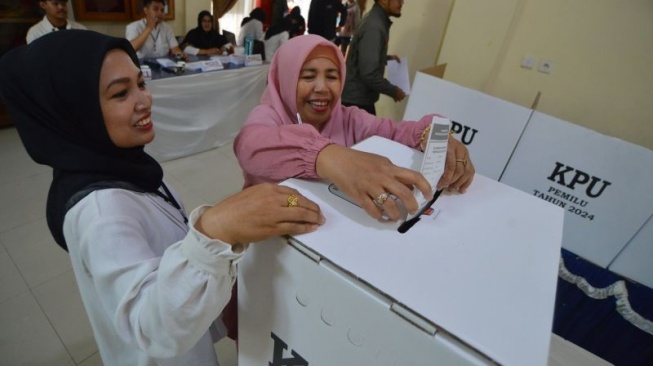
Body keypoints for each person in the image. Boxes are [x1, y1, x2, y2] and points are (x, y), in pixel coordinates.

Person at [0, 30, 324, 365]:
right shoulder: (100, 213)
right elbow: (153, 327)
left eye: (140, 83)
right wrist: (216, 229)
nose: (144, 100)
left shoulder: (129, 166)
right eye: (121, 93)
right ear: (74, 112)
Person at [234, 35, 475, 223]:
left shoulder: (349, 118)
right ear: (284, 79)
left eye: (332, 76)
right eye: (307, 76)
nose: (322, 88)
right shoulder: (269, 115)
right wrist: (327, 156)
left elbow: (397, 130)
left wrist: (435, 135)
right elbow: (249, 145)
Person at [341, 0, 405, 115]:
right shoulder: (375, 26)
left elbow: (363, 55)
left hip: (357, 98)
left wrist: (386, 58)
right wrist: (393, 91)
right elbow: (369, 74)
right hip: (356, 102)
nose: (402, 3)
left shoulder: (375, 20)